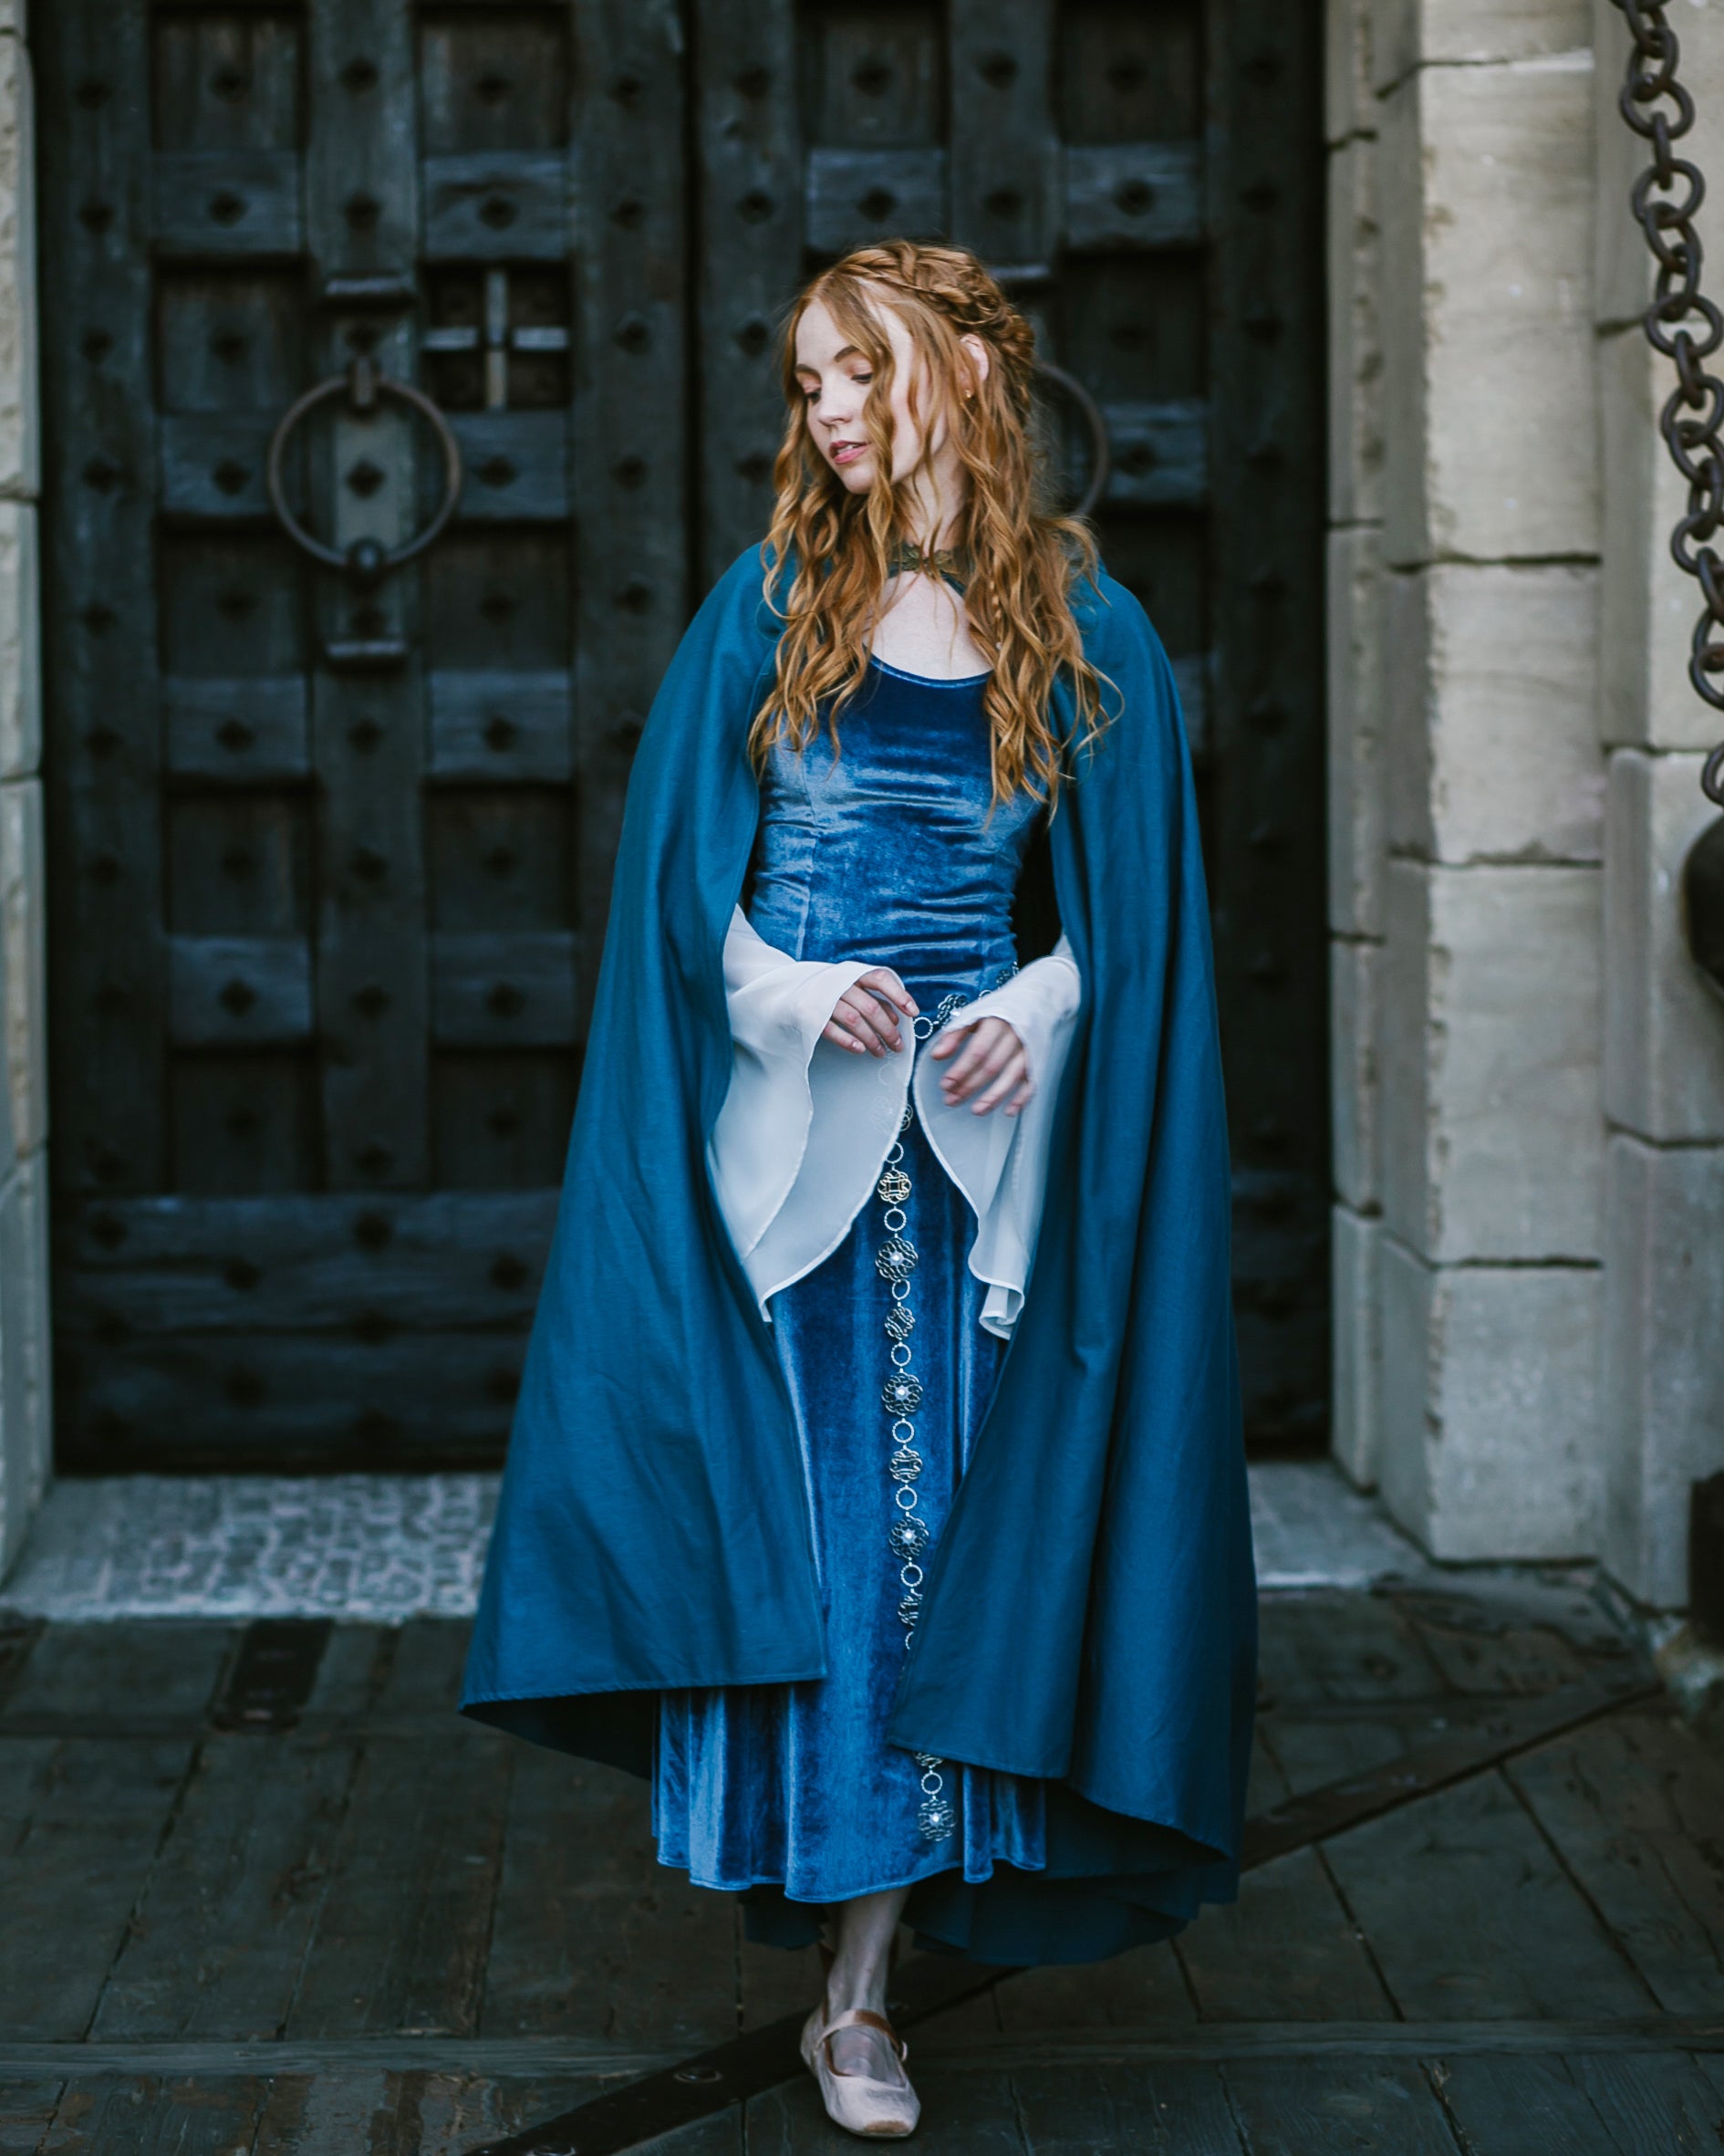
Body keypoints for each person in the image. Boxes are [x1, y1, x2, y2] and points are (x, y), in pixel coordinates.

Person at [462, 241, 1256, 2140]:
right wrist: (799, 992)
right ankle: (830, 1922)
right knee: (826, 1561)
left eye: (853, 374)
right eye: (805, 381)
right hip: (797, 1194)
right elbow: (685, 911)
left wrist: (1043, 1013)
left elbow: (1130, 936)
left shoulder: (1089, 629)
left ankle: (863, 1996)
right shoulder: (764, 611)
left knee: (949, 1571)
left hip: (985, 1195)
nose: (821, 413)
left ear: (955, 380)